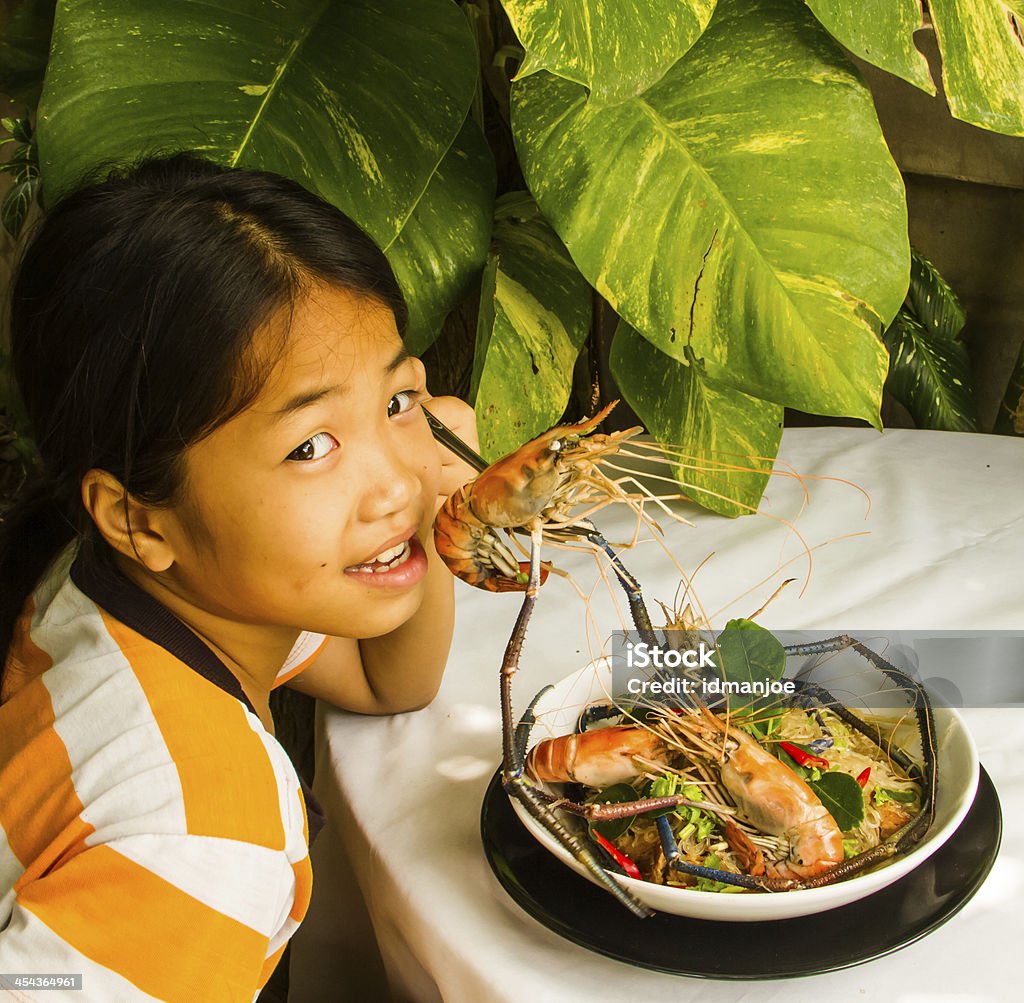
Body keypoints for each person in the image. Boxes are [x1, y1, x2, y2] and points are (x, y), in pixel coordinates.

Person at [0, 154, 479, 1000]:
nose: (398, 483)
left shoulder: (138, 586)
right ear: (138, 515)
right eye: (310, 446)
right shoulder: (199, 843)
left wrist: (433, 507)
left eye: (398, 399)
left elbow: (385, 676)